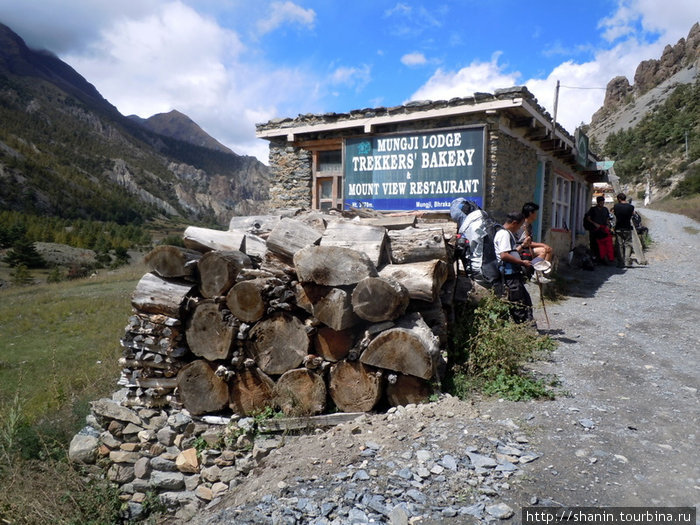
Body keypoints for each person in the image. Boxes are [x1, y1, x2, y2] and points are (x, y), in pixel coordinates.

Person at [494, 212, 534, 325]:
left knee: (525, 301)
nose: (519, 229)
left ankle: (528, 327)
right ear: (514, 223)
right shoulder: (504, 234)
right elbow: (504, 255)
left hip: (514, 274)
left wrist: (523, 245)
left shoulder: (507, 234)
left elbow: (512, 252)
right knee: (519, 305)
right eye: (519, 225)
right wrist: (522, 262)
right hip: (509, 276)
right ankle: (523, 329)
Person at [519, 202, 553, 280]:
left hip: (527, 248)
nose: (536, 215)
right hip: (522, 249)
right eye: (535, 213)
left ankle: (541, 273)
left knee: (548, 250)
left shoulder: (528, 225)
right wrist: (543, 245)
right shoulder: (523, 225)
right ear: (531, 213)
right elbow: (526, 242)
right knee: (544, 250)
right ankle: (539, 273)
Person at [584, 196, 611, 262]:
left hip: (603, 229)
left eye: (603, 202)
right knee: (594, 244)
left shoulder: (605, 209)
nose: (602, 204)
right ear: (598, 202)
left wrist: (608, 225)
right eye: (600, 202)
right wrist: (594, 223)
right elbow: (588, 218)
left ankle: (602, 258)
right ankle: (595, 258)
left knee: (603, 244)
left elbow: (607, 218)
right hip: (594, 229)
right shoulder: (593, 209)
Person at [613, 192, 635, 268]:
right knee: (628, 244)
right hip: (627, 227)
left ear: (619, 199)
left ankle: (620, 262)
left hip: (618, 227)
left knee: (619, 245)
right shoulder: (631, 207)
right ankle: (627, 261)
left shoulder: (616, 206)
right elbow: (633, 214)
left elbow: (615, 214)